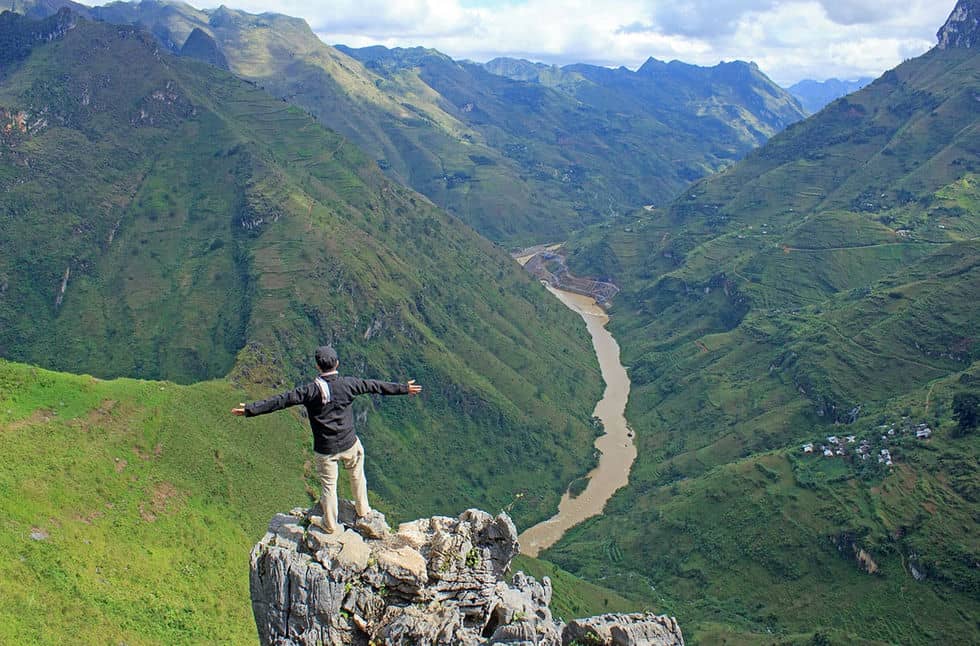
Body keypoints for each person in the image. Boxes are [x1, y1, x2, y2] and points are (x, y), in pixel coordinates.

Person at [232, 345, 421, 536]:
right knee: (357, 475)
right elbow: (375, 385)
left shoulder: (310, 391)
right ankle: (363, 510)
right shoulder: (349, 384)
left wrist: (250, 409)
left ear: (317, 366)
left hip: (326, 450)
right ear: (337, 363)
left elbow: (281, 400)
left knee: (329, 487)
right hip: (350, 443)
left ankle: (330, 524)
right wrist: (404, 388)